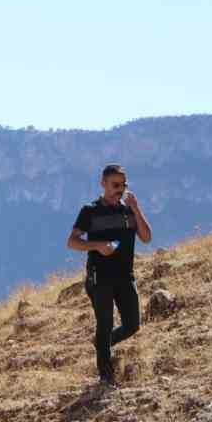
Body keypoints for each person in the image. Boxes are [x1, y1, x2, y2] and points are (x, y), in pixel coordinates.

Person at [67, 164, 153, 386]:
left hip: (126, 276)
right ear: (103, 184)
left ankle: (102, 344)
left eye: (123, 185)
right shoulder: (90, 211)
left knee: (133, 324)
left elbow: (146, 237)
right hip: (100, 277)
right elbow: (72, 241)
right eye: (115, 185)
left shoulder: (128, 211)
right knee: (104, 323)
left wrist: (136, 208)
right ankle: (106, 376)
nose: (120, 189)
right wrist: (98, 246)